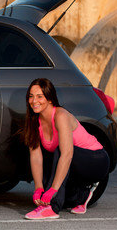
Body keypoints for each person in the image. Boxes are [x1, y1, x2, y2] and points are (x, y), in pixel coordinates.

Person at [22, 78, 110, 220]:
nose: (34, 101)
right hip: (74, 163)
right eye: (31, 96)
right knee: (47, 179)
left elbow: (67, 154)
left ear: (50, 99)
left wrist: (53, 190)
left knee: (59, 152)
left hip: (96, 160)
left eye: (39, 96)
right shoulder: (34, 121)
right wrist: (39, 188)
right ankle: (82, 195)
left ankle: (51, 208)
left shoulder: (61, 115)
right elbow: (36, 158)